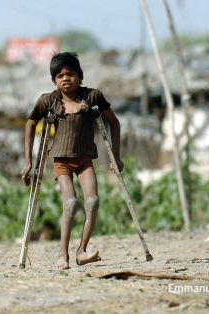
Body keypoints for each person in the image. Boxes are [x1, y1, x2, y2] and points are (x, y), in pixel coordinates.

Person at [21, 52, 124, 270]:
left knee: (93, 202)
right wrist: (28, 161)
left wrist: (116, 155)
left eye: (70, 74)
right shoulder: (49, 101)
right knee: (70, 202)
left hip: (85, 160)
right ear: (54, 81)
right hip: (62, 162)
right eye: (60, 76)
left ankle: (82, 251)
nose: (65, 78)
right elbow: (31, 124)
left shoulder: (92, 97)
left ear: (81, 76)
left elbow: (114, 123)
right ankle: (62, 254)